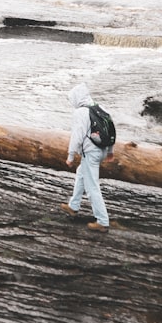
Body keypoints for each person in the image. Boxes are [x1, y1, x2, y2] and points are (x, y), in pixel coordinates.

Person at [59, 82, 113, 232]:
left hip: (91, 153)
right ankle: (73, 206)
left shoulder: (81, 113)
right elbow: (110, 129)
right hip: (101, 150)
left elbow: (77, 136)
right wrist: (110, 151)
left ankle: (102, 221)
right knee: (81, 174)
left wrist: (70, 155)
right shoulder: (100, 108)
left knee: (92, 187)